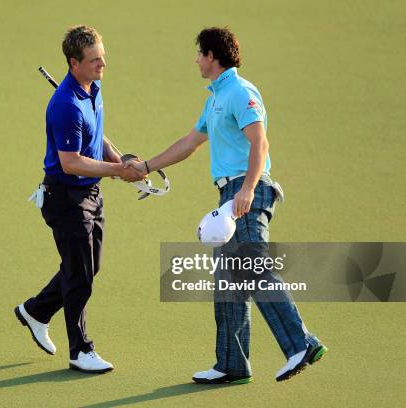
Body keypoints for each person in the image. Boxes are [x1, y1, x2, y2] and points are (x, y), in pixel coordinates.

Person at [126, 27, 327, 383]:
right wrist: (145, 167)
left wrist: (247, 189)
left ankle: (301, 344)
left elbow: (259, 142)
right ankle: (232, 363)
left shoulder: (239, 91)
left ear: (212, 56)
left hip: (246, 191)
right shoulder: (215, 97)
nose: (196, 59)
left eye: (199, 53)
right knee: (228, 283)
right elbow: (189, 143)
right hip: (229, 194)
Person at [14, 25, 144, 374]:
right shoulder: (66, 106)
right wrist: (118, 173)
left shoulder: (93, 89)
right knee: (80, 275)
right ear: (74, 63)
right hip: (66, 197)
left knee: (87, 268)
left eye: (103, 56)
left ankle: (36, 310)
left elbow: (97, 138)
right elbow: (71, 163)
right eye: (95, 59)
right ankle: (80, 350)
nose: (103, 64)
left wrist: (122, 162)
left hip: (90, 192)